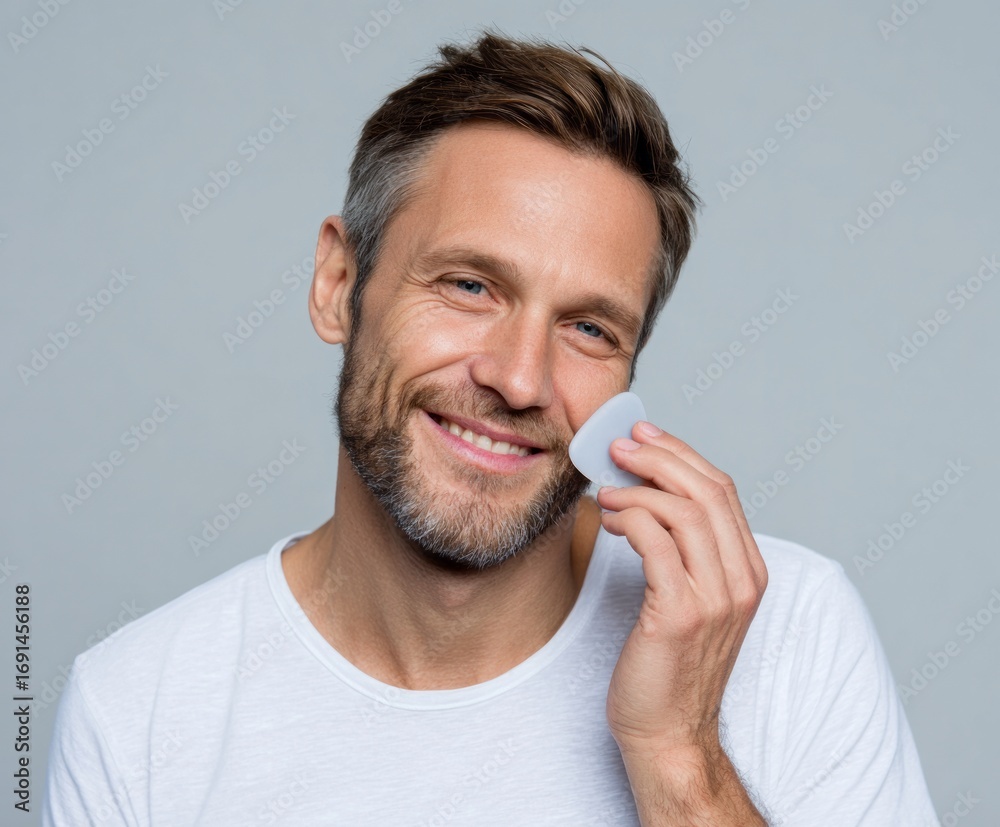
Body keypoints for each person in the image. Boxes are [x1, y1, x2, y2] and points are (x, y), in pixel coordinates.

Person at [43, 29, 939, 826]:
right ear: (337, 285)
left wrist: (681, 763)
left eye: (590, 327)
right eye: (470, 285)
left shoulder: (787, 632)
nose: (518, 378)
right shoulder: (136, 708)